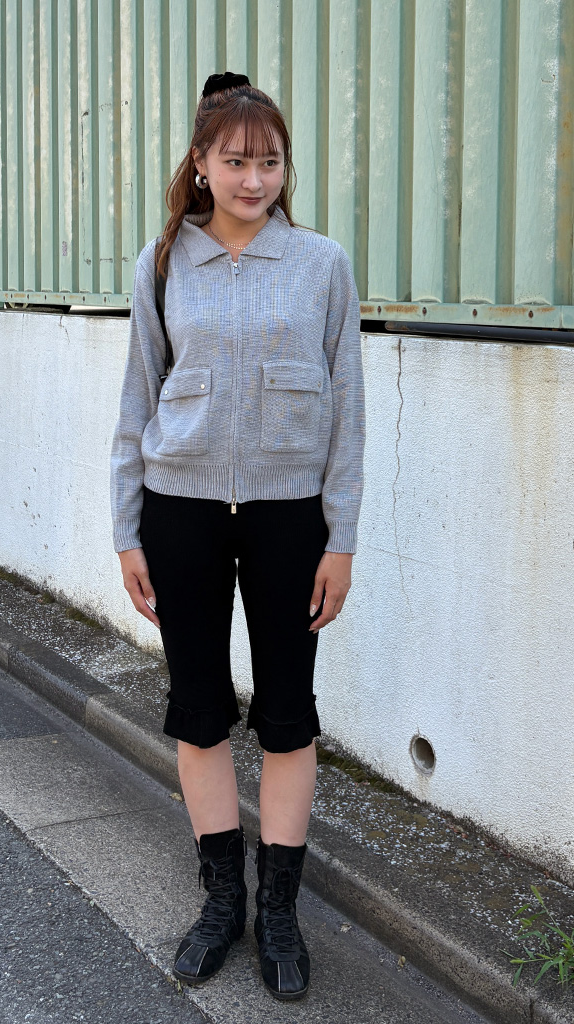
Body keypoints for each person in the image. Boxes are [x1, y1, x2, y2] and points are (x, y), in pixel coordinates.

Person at [110, 71, 364, 1001]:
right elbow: (137, 402)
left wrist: (341, 539)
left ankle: (280, 910)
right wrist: (126, 530)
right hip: (178, 512)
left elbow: (349, 410)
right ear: (201, 164)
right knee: (200, 708)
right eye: (236, 160)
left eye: (271, 161)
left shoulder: (322, 265)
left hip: (290, 517)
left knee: (288, 712)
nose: (254, 179)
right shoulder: (163, 262)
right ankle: (222, 900)